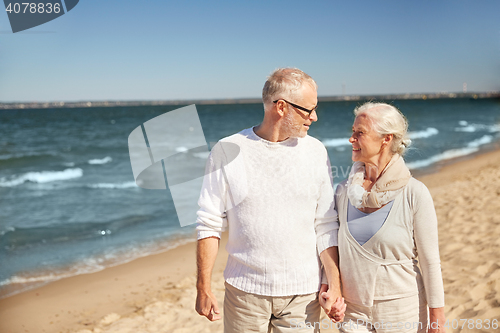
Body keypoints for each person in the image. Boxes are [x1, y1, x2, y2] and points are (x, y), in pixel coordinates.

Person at [195, 68, 345, 333]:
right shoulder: (226, 150)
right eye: (308, 110)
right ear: (281, 107)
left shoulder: (315, 151)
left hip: (303, 295)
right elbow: (208, 223)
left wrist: (335, 283)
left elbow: (325, 223)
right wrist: (203, 287)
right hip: (244, 295)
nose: (314, 117)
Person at [323, 102, 446, 333]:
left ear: (386, 139)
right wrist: (330, 288)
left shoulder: (414, 193)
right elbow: (331, 244)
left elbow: (430, 262)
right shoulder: (342, 191)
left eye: (360, 133)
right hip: (352, 312)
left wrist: (437, 320)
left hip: (402, 310)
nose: (352, 139)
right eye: (352, 132)